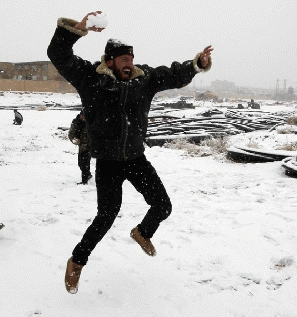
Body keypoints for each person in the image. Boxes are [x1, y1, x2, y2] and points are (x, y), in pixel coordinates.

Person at [47, 11, 213, 294]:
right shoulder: (91, 79)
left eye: (132, 58)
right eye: (124, 59)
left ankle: (142, 232)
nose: (129, 63)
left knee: (163, 206)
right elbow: (58, 54)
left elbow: (173, 74)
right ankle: (76, 261)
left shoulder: (143, 79)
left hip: (136, 159)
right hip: (109, 163)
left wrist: (196, 64)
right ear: (109, 60)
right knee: (106, 216)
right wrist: (75, 29)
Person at [68, 111, 92, 184]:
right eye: (82, 116)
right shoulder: (76, 122)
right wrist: (74, 139)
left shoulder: (91, 122)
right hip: (81, 145)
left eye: (85, 116)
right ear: (80, 115)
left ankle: (84, 181)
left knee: (85, 163)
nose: (83, 118)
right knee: (80, 163)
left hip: (90, 145)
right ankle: (88, 175)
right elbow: (71, 134)